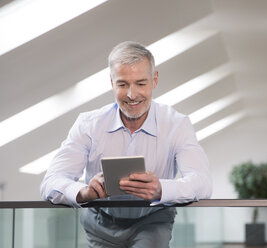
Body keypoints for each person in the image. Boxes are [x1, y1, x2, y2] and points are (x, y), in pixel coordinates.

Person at [40, 41, 212, 247]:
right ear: (111, 82)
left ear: (154, 80)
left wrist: (160, 190)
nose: (132, 95)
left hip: (153, 221)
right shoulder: (88, 124)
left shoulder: (177, 124)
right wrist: (84, 192)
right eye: (123, 84)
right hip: (99, 222)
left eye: (141, 83)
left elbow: (202, 182)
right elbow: (51, 181)